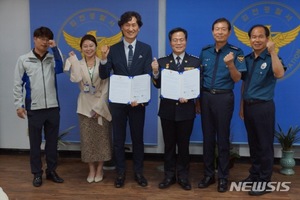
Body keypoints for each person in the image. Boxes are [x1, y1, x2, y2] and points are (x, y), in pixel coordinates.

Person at [99, 11, 152, 188]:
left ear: (139, 27)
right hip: (118, 102)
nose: (131, 28)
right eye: (127, 25)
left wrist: (142, 98)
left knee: (138, 139)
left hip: (138, 103)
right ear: (122, 27)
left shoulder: (146, 49)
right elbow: (104, 74)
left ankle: (139, 173)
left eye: (134, 25)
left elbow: (146, 75)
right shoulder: (112, 49)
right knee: (118, 140)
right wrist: (104, 59)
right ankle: (120, 173)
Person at [197, 18, 246, 192]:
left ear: (229, 32)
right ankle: (209, 175)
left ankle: (223, 177)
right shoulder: (205, 51)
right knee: (208, 139)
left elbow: (237, 78)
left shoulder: (236, 52)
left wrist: (231, 64)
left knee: (223, 139)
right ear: (212, 32)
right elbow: (200, 77)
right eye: (216, 29)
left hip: (224, 98)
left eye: (223, 29)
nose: (219, 32)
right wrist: (197, 101)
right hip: (206, 97)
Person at [13, 26, 64, 187]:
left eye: (47, 39)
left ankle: (51, 171)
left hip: (53, 108)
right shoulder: (24, 59)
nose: (44, 42)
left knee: (51, 143)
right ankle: (37, 173)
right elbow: (17, 84)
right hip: (34, 108)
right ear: (34, 38)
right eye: (41, 38)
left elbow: (61, 68)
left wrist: (55, 48)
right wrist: (19, 105)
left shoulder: (51, 58)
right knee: (35, 144)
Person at [151, 27, 200, 190]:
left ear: (186, 41)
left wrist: (191, 96)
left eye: (181, 39)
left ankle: (184, 177)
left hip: (186, 111)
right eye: (175, 40)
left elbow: (198, 86)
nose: (178, 43)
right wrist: (156, 72)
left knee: (184, 145)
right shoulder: (163, 62)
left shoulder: (195, 62)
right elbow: (157, 85)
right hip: (167, 110)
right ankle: (169, 176)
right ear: (170, 42)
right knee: (169, 145)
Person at [239, 24, 285, 196]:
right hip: (249, 107)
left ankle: (264, 181)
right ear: (249, 39)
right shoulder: (247, 59)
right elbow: (244, 84)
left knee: (264, 145)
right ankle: (254, 175)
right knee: (254, 144)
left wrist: (273, 52)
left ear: (267, 38)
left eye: (260, 36)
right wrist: (242, 106)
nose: (256, 40)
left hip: (264, 107)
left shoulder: (271, 57)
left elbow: (279, 74)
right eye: (253, 37)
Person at [65, 34, 112, 183]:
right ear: (81, 48)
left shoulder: (103, 63)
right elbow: (76, 79)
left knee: (102, 139)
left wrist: (99, 107)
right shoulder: (78, 63)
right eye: (85, 46)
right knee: (87, 140)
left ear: (95, 47)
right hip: (84, 105)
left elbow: (106, 86)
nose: (88, 48)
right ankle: (91, 169)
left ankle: (100, 168)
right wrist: (73, 62)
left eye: (91, 45)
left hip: (101, 106)